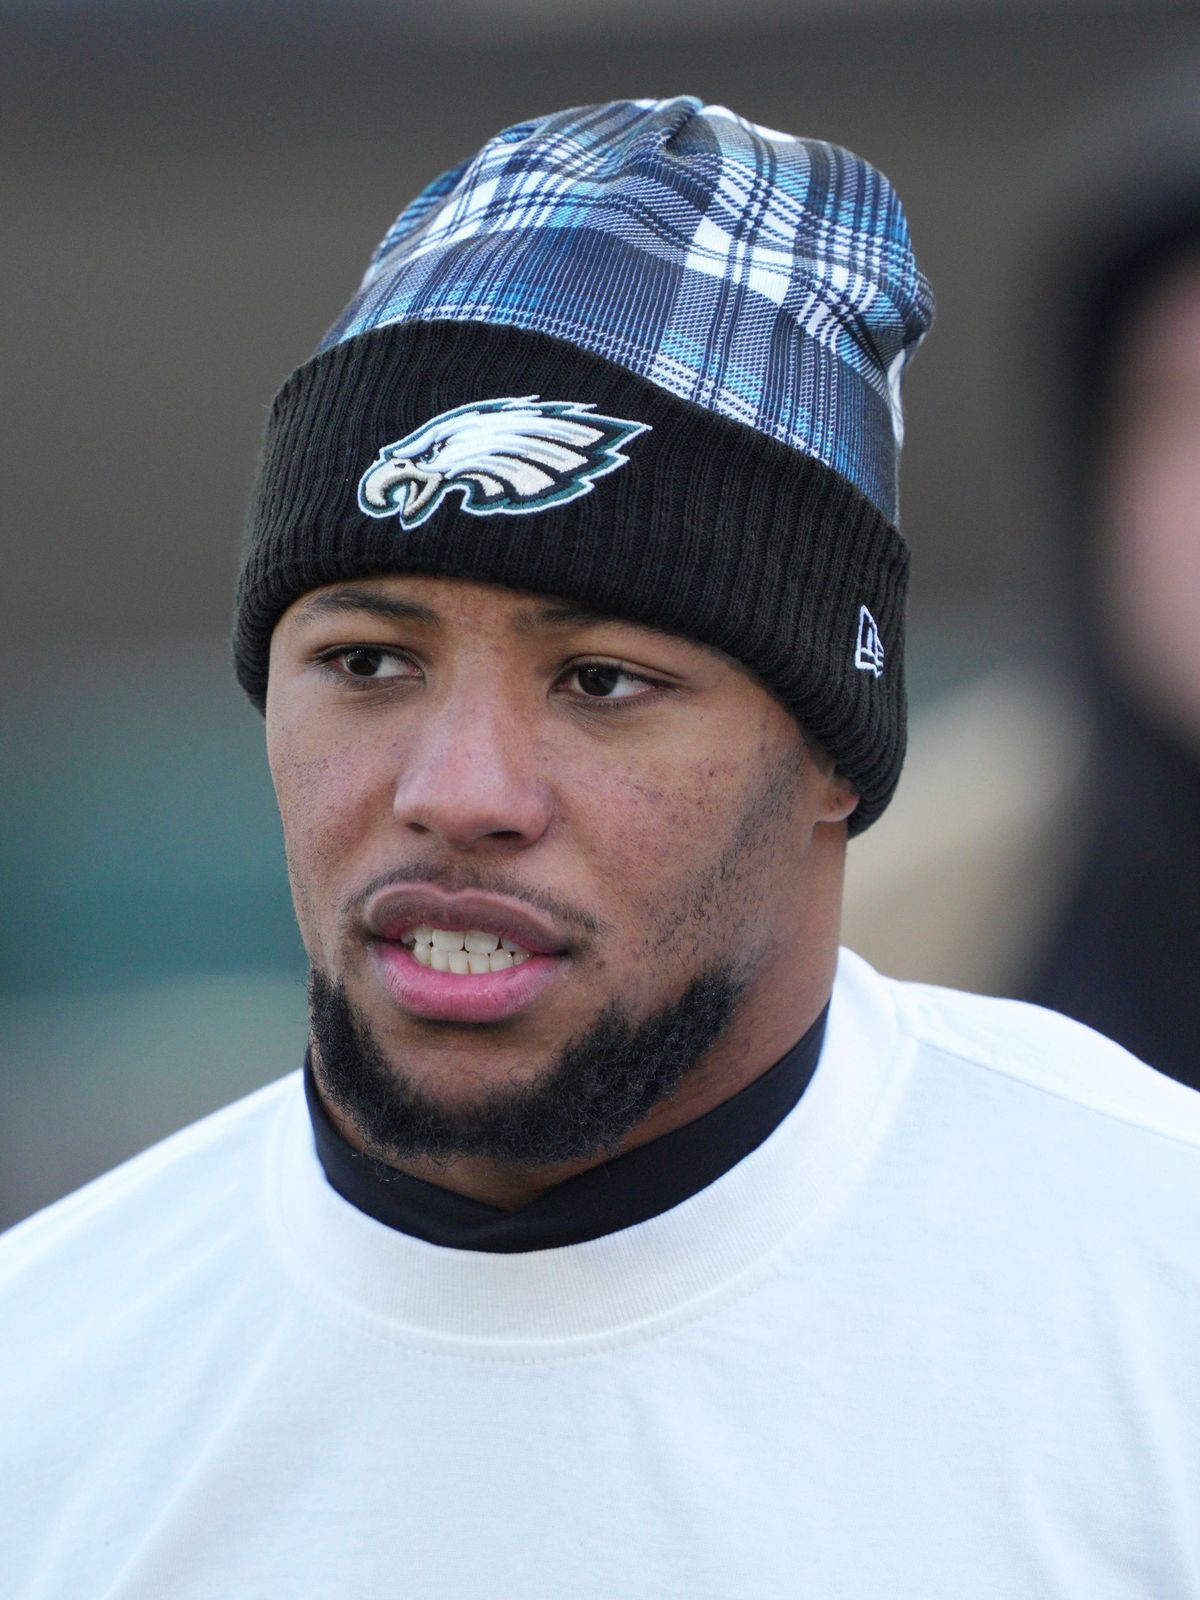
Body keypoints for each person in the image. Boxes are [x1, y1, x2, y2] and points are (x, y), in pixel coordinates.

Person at [5, 97, 1200, 1597]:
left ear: (835, 751)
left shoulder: (1155, 1308)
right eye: (369, 661)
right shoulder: (48, 1386)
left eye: (602, 683)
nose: (460, 790)